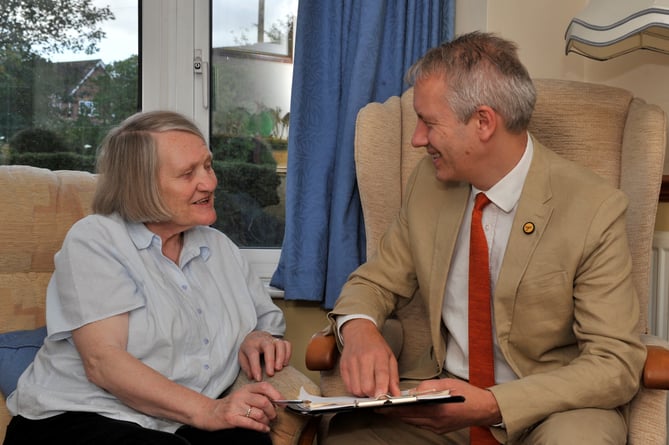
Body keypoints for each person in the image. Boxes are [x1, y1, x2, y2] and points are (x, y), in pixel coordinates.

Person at [324, 31, 646, 445]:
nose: (416, 139)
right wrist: (360, 329)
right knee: (349, 437)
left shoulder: (593, 207)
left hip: (554, 407)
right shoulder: (428, 183)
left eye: (428, 122)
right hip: (446, 397)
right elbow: (375, 281)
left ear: (483, 122)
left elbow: (615, 361)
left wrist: (496, 404)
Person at [4, 110, 292, 445]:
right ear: (142, 187)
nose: (210, 183)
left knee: (250, 439)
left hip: (173, 423)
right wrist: (208, 411)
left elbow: (264, 323)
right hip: (76, 418)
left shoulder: (220, 248)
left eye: (208, 165)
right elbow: (103, 362)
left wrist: (257, 337)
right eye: (188, 174)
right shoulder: (95, 240)